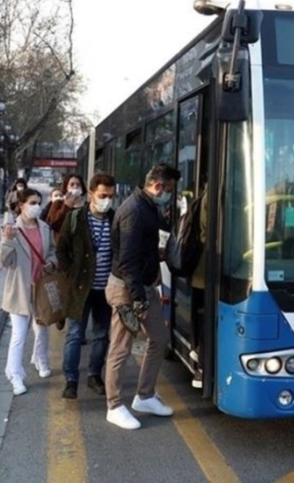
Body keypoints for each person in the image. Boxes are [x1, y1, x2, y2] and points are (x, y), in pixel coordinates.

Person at [104, 163, 181, 430]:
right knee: (121, 348)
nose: (169, 195)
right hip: (127, 289)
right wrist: (137, 298)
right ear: (158, 186)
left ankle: (145, 396)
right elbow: (127, 261)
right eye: (169, 190)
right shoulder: (134, 211)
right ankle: (114, 406)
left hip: (143, 286)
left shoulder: (147, 207)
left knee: (159, 338)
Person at [56, 173, 117, 399]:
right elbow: (61, 249)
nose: (107, 200)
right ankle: (71, 380)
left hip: (105, 289)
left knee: (101, 335)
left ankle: (94, 375)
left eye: (110, 196)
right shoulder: (75, 218)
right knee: (75, 334)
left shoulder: (115, 219)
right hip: (80, 287)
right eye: (102, 195)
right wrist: (71, 273)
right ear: (91, 193)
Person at [0, 187, 56, 396]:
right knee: (19, 334)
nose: (36, 207)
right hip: (20, 289)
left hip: (40, 287)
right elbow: (4, 261)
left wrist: (51, 263)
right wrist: (7, 240)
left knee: (42, 328)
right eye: (32, 203)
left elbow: (52, 251)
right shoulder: (12, 229)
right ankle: (15, 374)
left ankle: (40, 358)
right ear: (21, 205)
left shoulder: (44, 227)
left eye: (38, 202)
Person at [189, 186, 208, 389]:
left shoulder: (207, 193)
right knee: (208, 316)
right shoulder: (216, 194)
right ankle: (202, 363)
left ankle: (198, 350)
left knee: (203, 315)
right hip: (207, 270)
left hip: (201, 271)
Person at [46, 173, 87, 238]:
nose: (75, 187)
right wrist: (66, 206)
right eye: (72, 184)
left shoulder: (87, 205)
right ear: (66, 187)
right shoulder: (58, 203)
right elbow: (52, 223)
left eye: (78, 184)